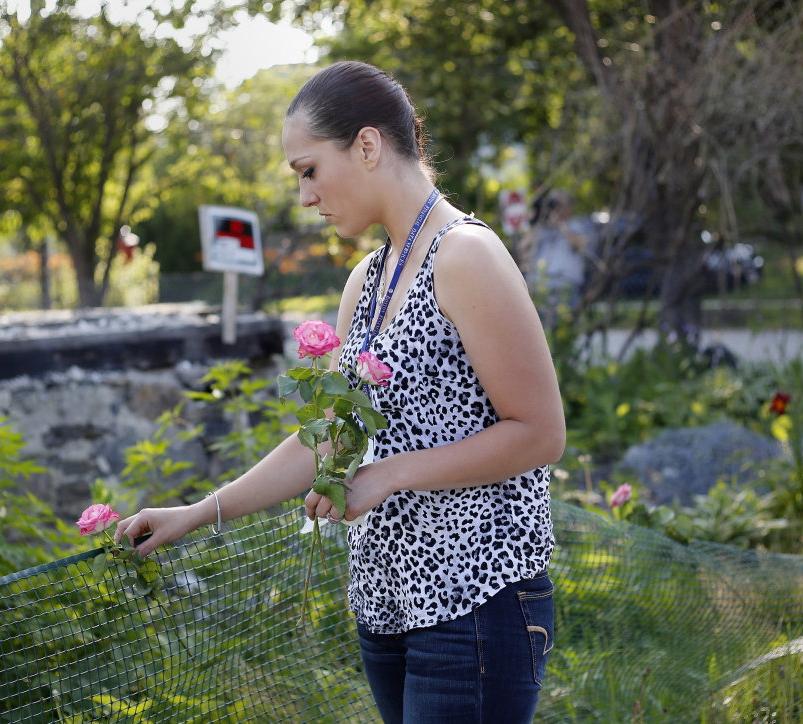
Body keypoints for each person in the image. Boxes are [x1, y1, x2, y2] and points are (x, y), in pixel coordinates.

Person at [115, 61, 566, 724]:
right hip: (389, 605)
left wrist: (391, 474)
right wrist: (199, 512)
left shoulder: (466, 255)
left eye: (308, 170)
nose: (304, 196)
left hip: (477, 602)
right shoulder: (368, 278)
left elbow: (540, 432)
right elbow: (332, 438)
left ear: (366, 145)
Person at [521, 189, 593, 324]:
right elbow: (524, 250)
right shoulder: (541, 229)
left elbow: (580, 246)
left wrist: (560, 224)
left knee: (565, 328)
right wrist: (535, 222)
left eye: (561, 205)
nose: (558, 209)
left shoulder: (575, 226)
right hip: (541, 287)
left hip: (566, 287)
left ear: (570, 207)